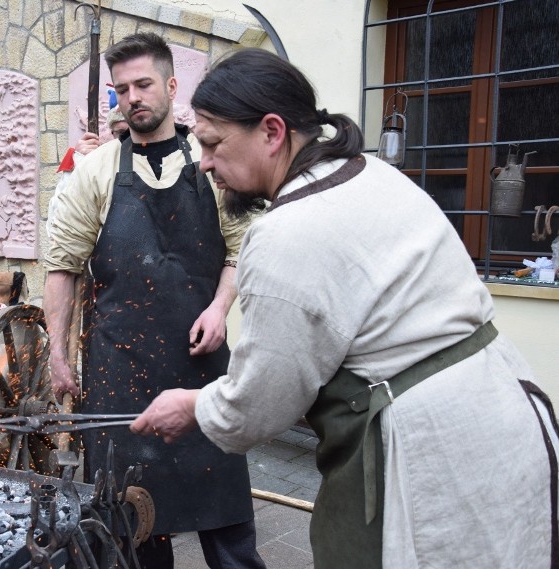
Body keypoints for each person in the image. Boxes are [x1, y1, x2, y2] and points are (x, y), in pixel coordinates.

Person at [131, 48, 559, 568]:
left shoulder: (286, 232)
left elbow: (261, 402)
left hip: (431, 450)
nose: (204, 162)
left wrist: (193, 405)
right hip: (508, 409)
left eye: (214, 143)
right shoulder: (370, 174)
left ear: (272, 131)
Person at [44, 33, 266, 569]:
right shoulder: (94, 173)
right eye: (121, 90)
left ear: (170, 86)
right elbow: (62, 266)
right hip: (118, 372)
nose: (132, 97)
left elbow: (241, 250)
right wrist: (56, 352)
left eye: (143, 84)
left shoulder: (212, 164)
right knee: (132, 529)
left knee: (228, 525)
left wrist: (218, 309)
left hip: (201, 367)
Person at [46, 106, 127, 237]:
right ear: (113, 133)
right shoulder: (97, 165)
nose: (130, 139)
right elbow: (57, 227)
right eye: (123, 133)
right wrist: (80, 163)